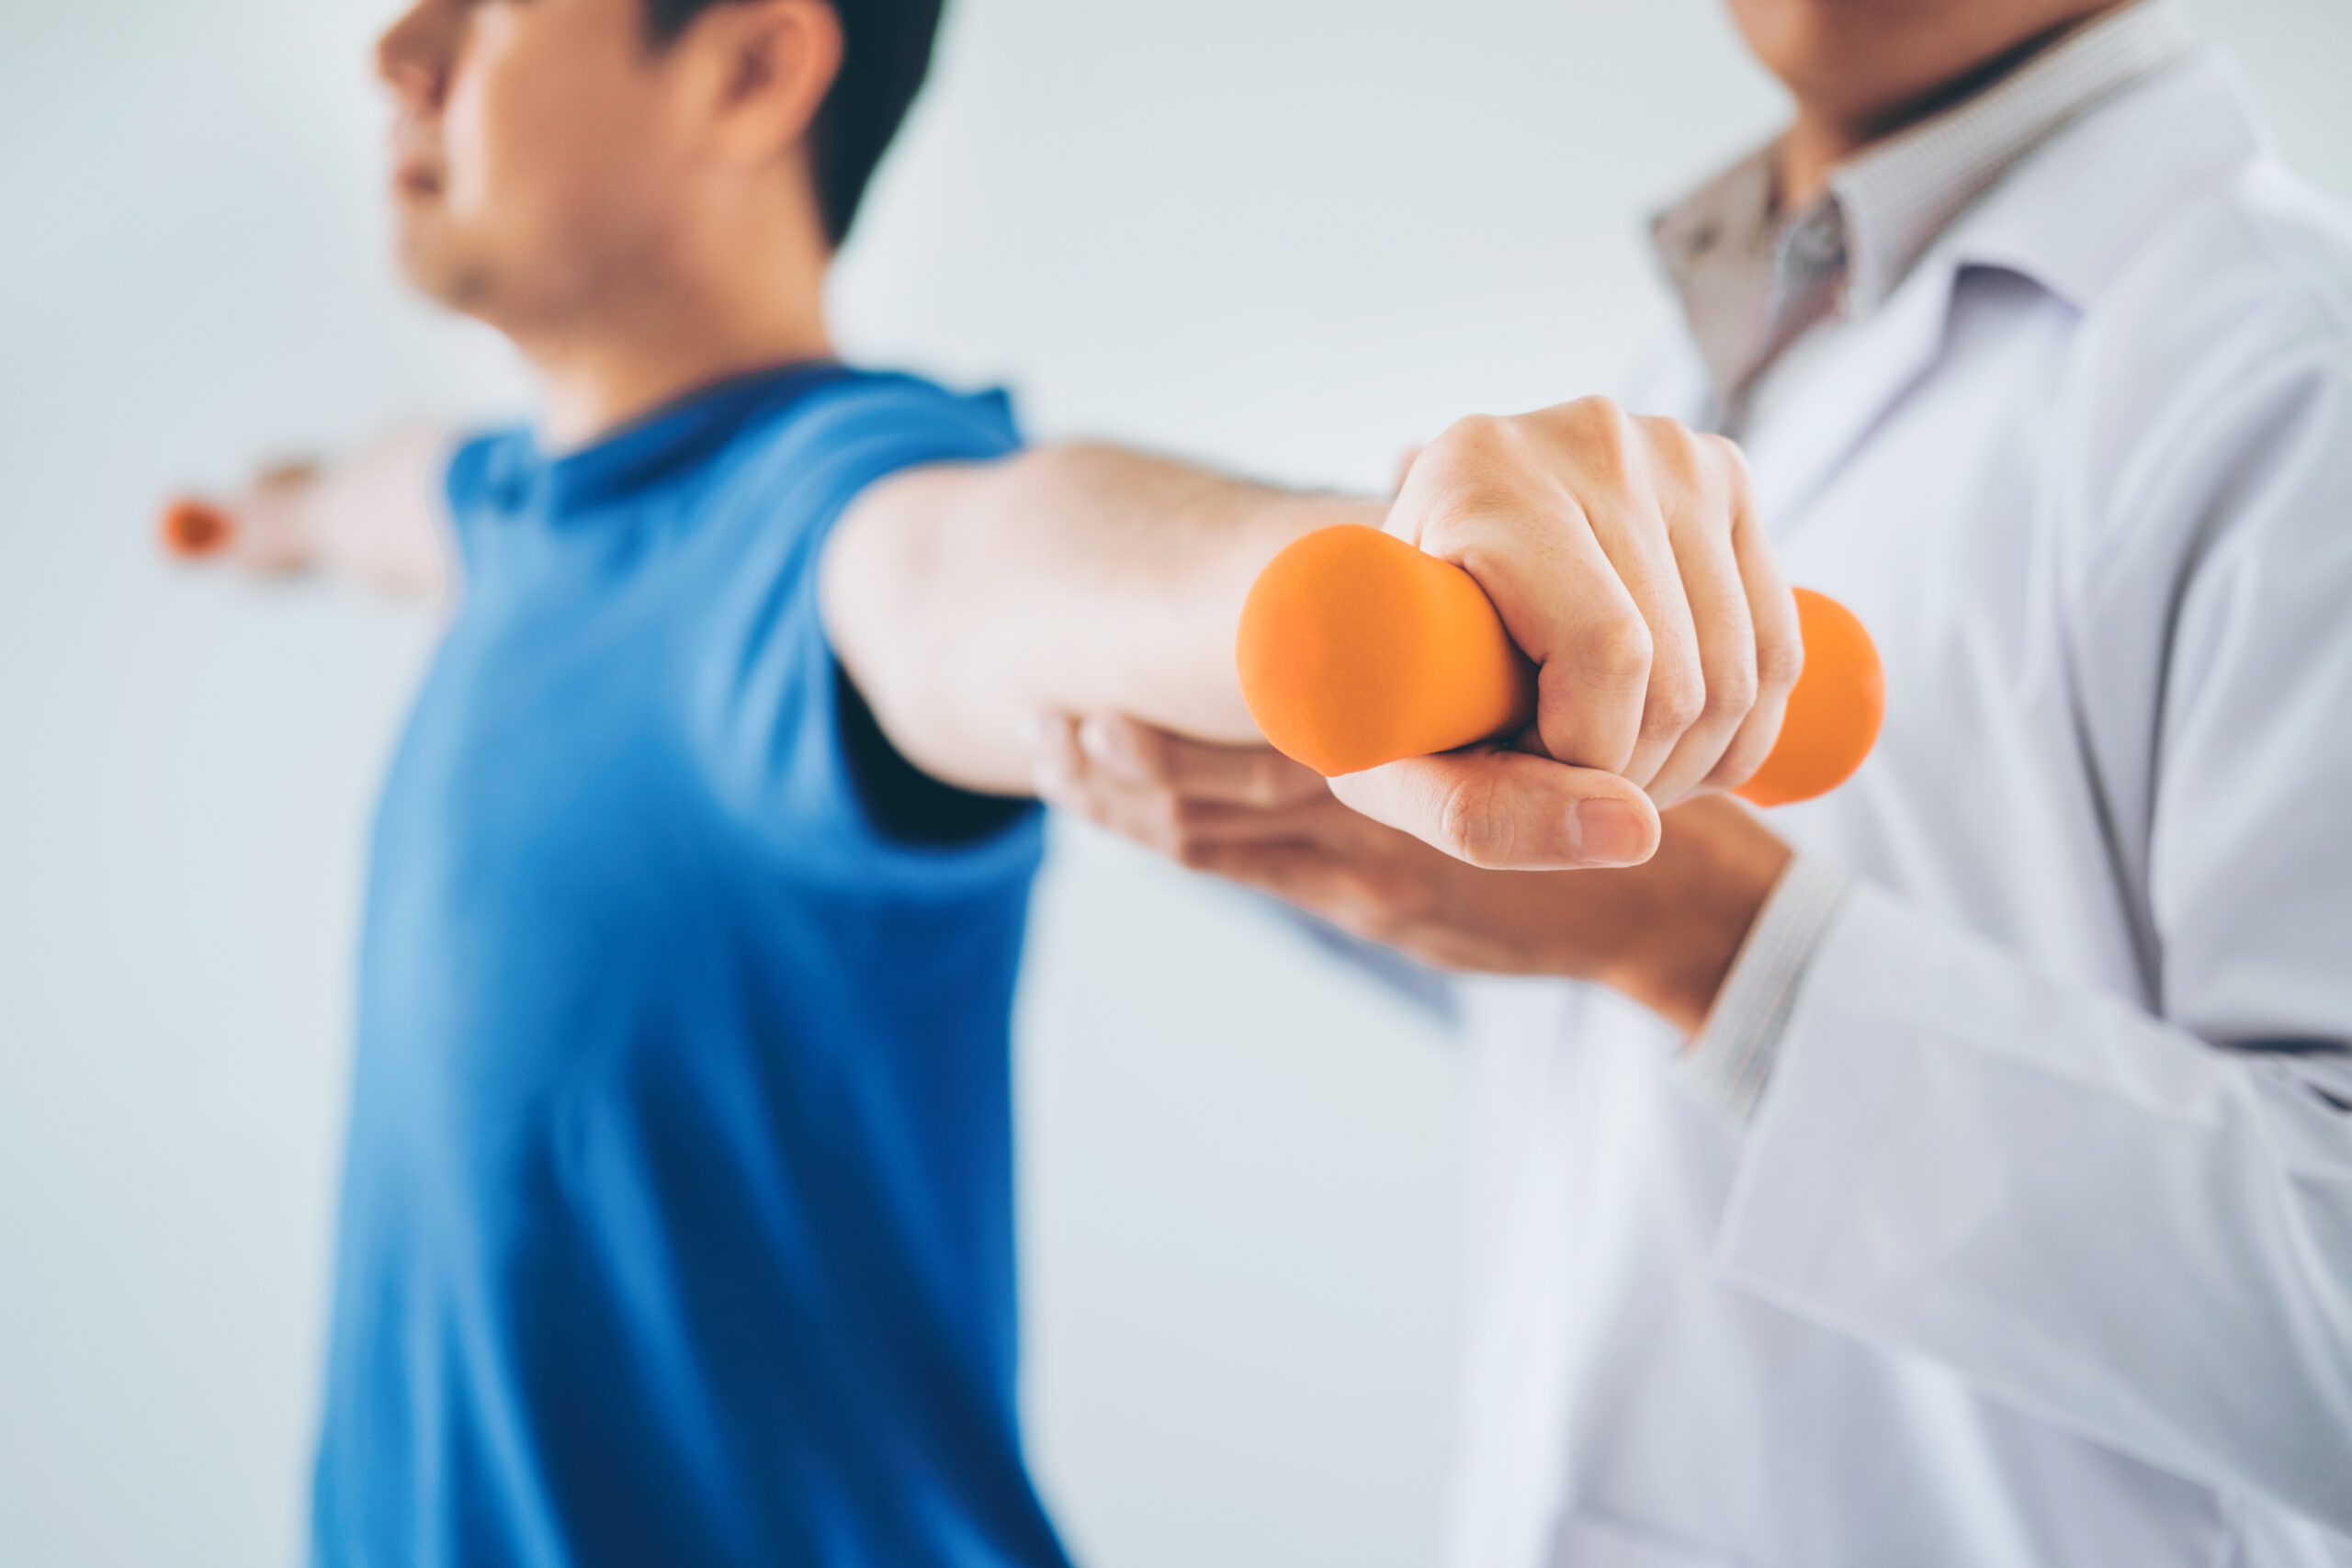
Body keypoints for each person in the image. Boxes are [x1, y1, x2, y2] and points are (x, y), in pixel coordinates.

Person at [163, 0, 1801, 1561]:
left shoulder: (834, 528)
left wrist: (1368, 575)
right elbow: (387, 501)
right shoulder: (503, 509)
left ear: (750, 67)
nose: (398, 44)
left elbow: (1016, 566)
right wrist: (269, 520)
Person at [1036, 0, 2352, 1562]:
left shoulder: (2294, 378)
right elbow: (1677, 1069)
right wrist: (1378, 862)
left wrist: (1720, 944)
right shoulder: (1714, 343)